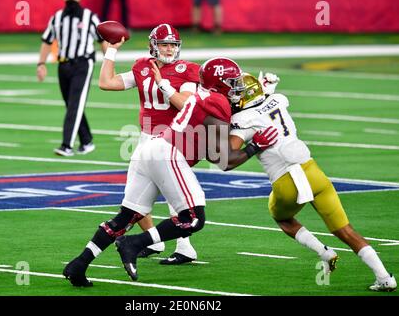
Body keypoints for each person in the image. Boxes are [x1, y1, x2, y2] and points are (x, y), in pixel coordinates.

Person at [63, 57, 278, 285]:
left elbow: (223, 122)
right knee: (194, 219)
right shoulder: (217, 101)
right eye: (233, 82)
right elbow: (222, 160)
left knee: (126, 217)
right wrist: (255, 145)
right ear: (219, 83)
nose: (237, 87)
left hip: (151, 149)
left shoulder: (208, 97)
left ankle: (79, 264)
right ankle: (133, 244)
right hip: (169, 154)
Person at [228, 73, 397, 292]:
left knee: (282, 217)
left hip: (286, 180)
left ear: (248, 94)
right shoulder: (277, 99)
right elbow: (264, 106)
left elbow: (230, 152)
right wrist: (266, 89)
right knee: (345, 230)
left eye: (237, 92)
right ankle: (384, 277)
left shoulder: (243, 120)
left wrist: (250, 145)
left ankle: (324, 251)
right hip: (313, 172)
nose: (232, 96)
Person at [98, 23, 201, 265]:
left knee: (174, 195)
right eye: (164, 44)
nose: (169, 49)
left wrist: (163, 84)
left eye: (173, 44)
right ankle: (154, 240)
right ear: (153, 46)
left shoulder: (187, 69)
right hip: (146, 138)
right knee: (135, 198)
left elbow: (185, 103)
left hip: (173, 139)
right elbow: (107, 82)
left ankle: (185, 247)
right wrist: (111, 50)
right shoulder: (143, 66)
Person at [37, 0, 106, 157]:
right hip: (63, 64)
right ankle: (87, 141)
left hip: (83, 64)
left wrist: (109, 63)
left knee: (75, 104)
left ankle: (66, 145)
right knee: (71, 104)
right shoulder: (57, 17)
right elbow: (47, 40)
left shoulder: (90, 17)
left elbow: (102, 40)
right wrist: (41, 63)